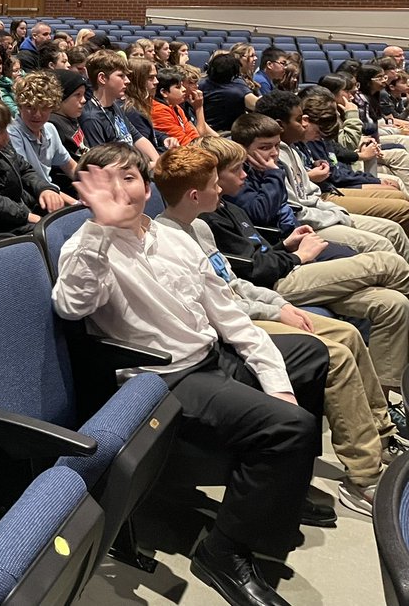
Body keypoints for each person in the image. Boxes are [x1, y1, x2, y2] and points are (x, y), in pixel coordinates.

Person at [54, 142, 329, 606]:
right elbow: (71, 305)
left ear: (148, 185)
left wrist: (276, 381)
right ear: (89, 193)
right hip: (164, 379)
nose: (122, 190)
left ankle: (283, 486)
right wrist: (101, 229)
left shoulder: (174, 235)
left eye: (131, 178)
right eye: (108, 181)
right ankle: (223, 552)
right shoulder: (86, 245)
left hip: (210, 355)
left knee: (309, 355)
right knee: (292, 425)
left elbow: (228, 314)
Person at [155, 145, 401, 514]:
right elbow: (221, 306)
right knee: (333, 355)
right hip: (233, 326)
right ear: (194, 195)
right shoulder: (168, 241)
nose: (221, 190)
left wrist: (280, 304)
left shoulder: (200, 227)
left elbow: (234, 282)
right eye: (213, 184)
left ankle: (380, 435)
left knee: (347, 335)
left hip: (252, 307)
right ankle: (363, 477)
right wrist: (274, 308)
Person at [195, 136, 409, 408]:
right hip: (277, 284)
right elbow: (251, 271)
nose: (245, 174)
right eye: (236, 169)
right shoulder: (206, 219)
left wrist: (285, 244)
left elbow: (256, 252)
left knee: (393, 304)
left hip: (284, 266)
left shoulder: (230, 207)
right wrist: (298, 255)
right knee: (388, 262)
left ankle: (388, 398)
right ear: (213, 175)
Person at [237, 101, 409, 262]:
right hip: (303, 225)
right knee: (384, 242)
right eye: (265, 147)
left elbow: (322, 178)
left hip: (318, 210)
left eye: (275, 146)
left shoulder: (286, 153)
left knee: (392, 228)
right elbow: (283, 210)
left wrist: (335, 211)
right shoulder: (263, 170)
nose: (273, 152)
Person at [0, 94, 73, 235]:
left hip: (23, 209)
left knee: (69, 221)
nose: (7, 136)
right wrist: (23, 214)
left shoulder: (1, 144)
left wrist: (44, 189)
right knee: (55, 235)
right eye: (0, 132)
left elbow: (25, 170)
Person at [79, 50, 161, 162]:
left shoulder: (115, 105)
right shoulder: (91, 118)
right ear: (102, 78)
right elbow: (103, 163)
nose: (127, 81)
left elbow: (137, 137)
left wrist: (158, 163)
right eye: (121, 76)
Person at [9, 72, 79, 189]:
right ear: (20, 106)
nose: (37, 115)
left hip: (51, 191)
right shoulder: (12, 133)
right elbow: (28, 182)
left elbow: (70, 167)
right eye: (30, 107)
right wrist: (73, 203)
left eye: (44, 108)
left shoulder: (50, 129)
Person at [201, 53, 259, 133]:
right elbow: (257, 105)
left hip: (205, 129)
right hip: (228, 133)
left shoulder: (200, 84)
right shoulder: (238, 89)